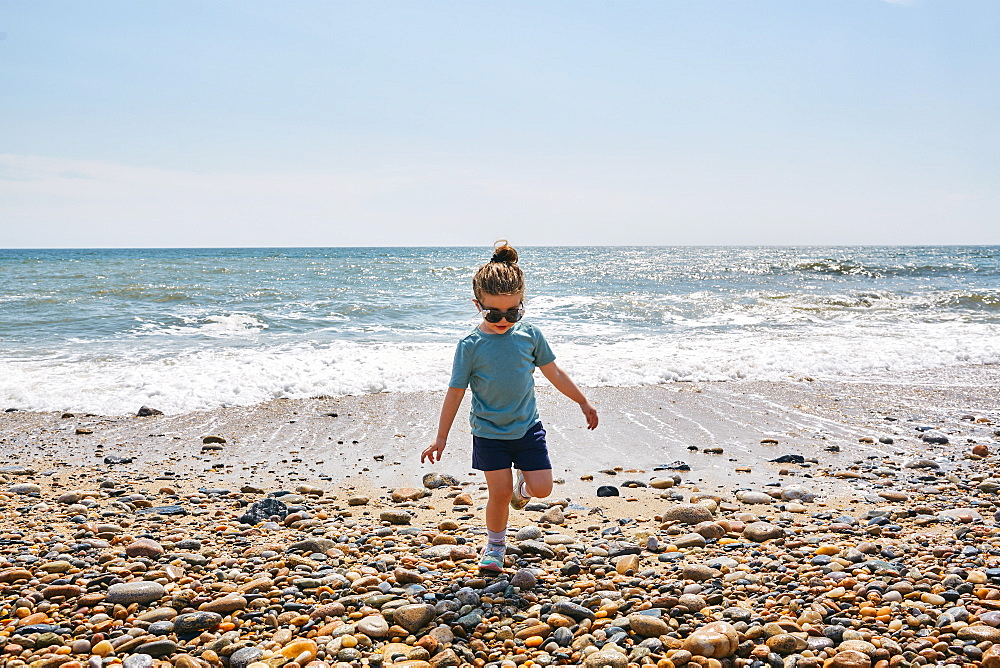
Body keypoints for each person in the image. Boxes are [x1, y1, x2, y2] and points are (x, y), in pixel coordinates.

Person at [420, 240, 599, 572]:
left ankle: (523, 487)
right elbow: (455, 391)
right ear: (478, 305)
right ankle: (495, 547)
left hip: (527, 428)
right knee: (498, 493)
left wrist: (583, 401)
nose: (504, 319)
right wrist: (440, 437)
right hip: (488, 433)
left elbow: (555, 372)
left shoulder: (530, 335)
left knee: (543, 489)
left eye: (512, 312)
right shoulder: (470, 346)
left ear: (521, 305)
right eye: (494, 312)